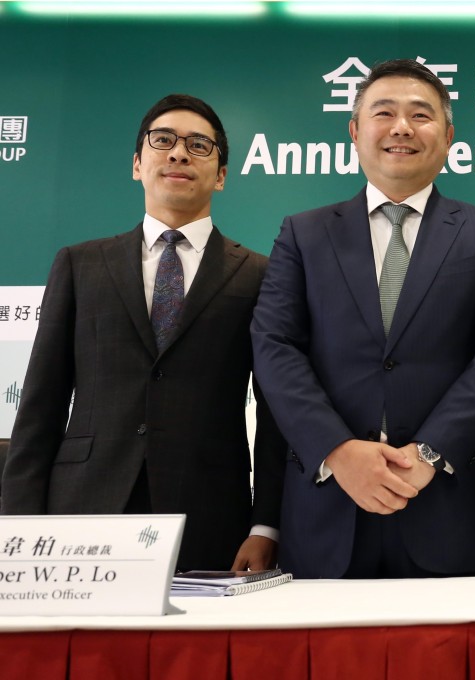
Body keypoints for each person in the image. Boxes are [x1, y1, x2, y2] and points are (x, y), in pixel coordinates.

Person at [251, 59, 475, 579]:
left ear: (448, 137)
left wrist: (428, 453)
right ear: (356, 132)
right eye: (384, 113)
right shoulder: (304, 233)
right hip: (325, 507)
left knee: (449, 661)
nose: (402, 127)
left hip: (446, 503)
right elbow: (274, 344)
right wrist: (337, 451)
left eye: (420, 115)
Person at [0, 94, 286, 571]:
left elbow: (277, 415)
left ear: (220, 175)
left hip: (212, 512)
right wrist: (18, 527)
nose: (178, 153)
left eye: (199, 145)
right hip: (81, 510)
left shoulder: (260, 274)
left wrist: (265, 526)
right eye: (163, 141)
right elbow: (40, 404)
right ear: (137, 164)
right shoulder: (80, 263)